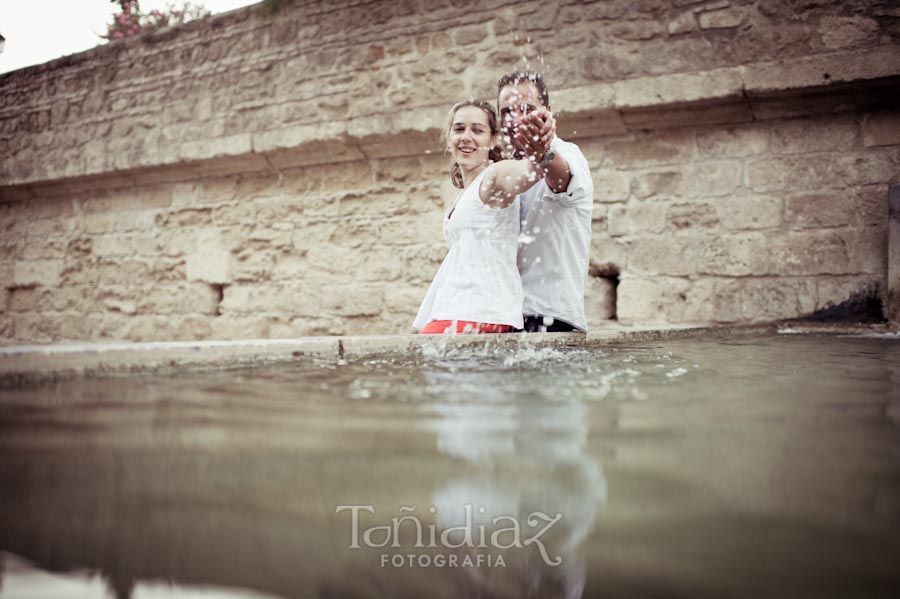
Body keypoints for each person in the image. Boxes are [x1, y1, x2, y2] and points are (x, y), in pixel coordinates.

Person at [413, 99, 549, 334]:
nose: (466, 137)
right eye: (459, 129)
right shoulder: (466, 192)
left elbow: (531, 170)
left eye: (477, 130)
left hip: (481, 313)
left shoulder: (494, 176)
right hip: (456, 309)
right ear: (449, 138)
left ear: (492, 140)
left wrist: (541, 151)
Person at [497, 72, 594, 333]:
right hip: (507, 318)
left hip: (551, 316)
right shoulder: (504, 170)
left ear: (547, 112)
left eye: (526, 109)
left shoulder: (568, 155)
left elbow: (561, 179)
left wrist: (544, 154)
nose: (515, 118)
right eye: (506, 110)